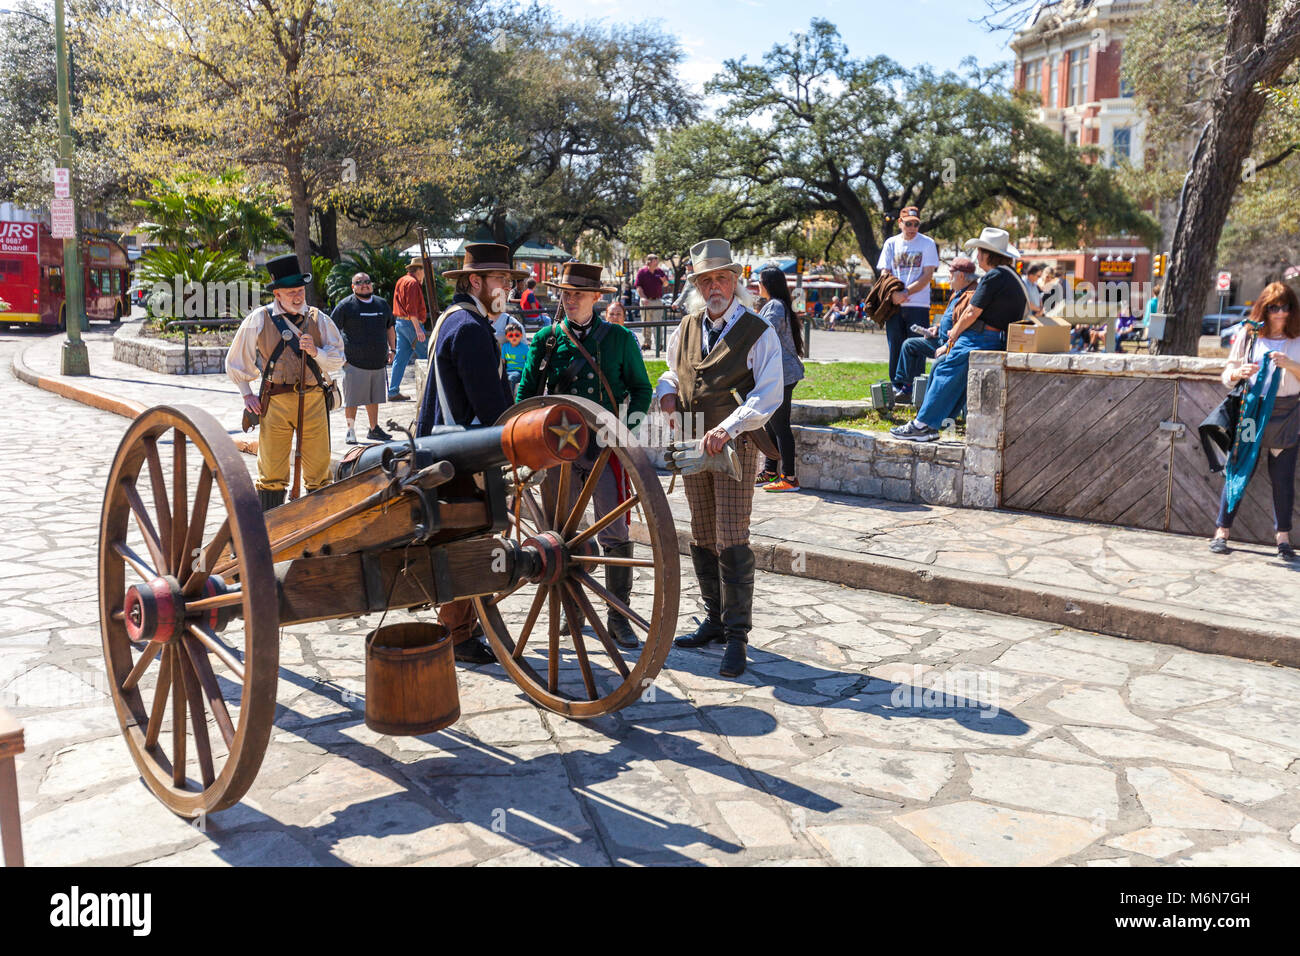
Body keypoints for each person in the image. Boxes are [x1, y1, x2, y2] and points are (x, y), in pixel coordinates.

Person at [655, 239, 783, 679]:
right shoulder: (687, 326)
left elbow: (769, 393)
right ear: (697, 285)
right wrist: (666, 391)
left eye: (722, 278)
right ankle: (713, 619)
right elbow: (673, 368)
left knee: (732, 535)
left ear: (736, 281)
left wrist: (728, 426)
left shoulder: (756, 329)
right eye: (706, 280)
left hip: (735, 446)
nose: (715, 287)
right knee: (703, 532)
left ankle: (737, 636)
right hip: (693, 442)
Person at [516, 261, 652, 647]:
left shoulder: (619, 339)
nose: (571, 299)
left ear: (597, 297)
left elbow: (642, 391)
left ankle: (617, 615)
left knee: (615, 531)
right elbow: (526, 397)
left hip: (604, 448)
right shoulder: (545, 339)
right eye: (566, 293)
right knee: (562, 534)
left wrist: (624, 432)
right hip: (557, 450)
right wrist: (530, 443)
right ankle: (571, 607)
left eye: (579, 294)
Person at [415, 242, 526, 664]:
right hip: (462, 453)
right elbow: (493, 410)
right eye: (501, 281)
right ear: (475, 282)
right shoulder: (469, 329)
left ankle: (465, 623)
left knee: (469, 539)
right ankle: (458, 631)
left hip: (446, 446)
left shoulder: (456, 320)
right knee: (470, 540)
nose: (507, 289)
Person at [227, 254, 345, 510]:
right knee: (271, 470)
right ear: (277, 294)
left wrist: (316, 353)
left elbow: (337, 359)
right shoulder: (259, 319)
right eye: (291, 291)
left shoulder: (319, 319)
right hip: (275, 402)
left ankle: (317, 523)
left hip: (314, 400)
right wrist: (247, 393)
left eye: (300, 290)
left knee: (318, 470)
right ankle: (271, 527)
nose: (298, 296)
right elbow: (236, 359)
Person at [891, 228, 1022, 443]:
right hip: (997, 339)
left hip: (980, 337)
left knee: (944, 368)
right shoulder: (1012, 276)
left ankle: (922, 425)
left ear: (988, 254)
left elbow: (972, 312)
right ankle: (936, 424)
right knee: (955, 376)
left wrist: (952, 337)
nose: (977, 256)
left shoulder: (994, 276)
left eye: (980, 251)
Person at [1210, 282, 1300, 560]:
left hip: (1286, 413)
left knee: (1283, 478)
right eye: (1274, 307)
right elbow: (1227, 375)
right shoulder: (1248, 334)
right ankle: (1222, 531)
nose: (1280, 313)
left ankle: (1283, 539)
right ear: (1264, 308)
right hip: (1251, 412)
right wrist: (1241, 372)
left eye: (1286, 307)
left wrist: (1291, 365)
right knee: (1238, 468)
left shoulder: (1297, 338)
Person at [890, 256, 977, 403]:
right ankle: (908, 388)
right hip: (941, 340)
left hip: (951, 345)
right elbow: (951, 319)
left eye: (950, 274)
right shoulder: (957, 292)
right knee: (909, 345)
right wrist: (936, 329)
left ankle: (920, 395)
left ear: (961, 276)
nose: (949, 278)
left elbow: (965, 326)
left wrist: (946, 345)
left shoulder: (971, 295)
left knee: (933, 361)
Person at [753, 265, 805, 491]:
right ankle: (771, 471)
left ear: (768, 285)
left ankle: (790, 478)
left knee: (780, 426)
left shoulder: (774, 305)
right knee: (771, 425)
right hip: (780, 373)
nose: (757, 285)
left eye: (760, 281)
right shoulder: (777, 304)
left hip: (781, 375)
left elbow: (764, 331)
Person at [877, 205, 940, 387]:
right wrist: (893, 293)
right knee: (895, 345)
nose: (912, 228)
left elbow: (927, 275)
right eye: (908, 224)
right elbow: (885, 273)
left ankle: (914, 387)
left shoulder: (927, 243)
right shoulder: (891, 243)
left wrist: (906, 292)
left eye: (916, 224)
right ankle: (896, 386)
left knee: (916, 346)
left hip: (918, 304)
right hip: (895, 304)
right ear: (900, 223)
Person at [331, 272, 395, 444]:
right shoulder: (346, 305)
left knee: (374, 398)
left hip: (378, 362)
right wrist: (339, 355)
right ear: (353, 287)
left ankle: (374, 429)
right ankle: (350, 430)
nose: (364, 284)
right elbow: (331, 329)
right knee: (352, 400)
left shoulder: (381, 304)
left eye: (367, 281)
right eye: (359, 282)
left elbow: (390, 327)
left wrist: (393, 349)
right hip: (354, 363)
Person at [388, 257, 428, 402]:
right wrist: (418, 329)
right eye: (424, 270)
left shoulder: (402, 280)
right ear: (419, 270)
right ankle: (432, 392)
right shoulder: (412, 283)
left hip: (400, 323)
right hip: (411, 324)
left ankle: (393, 391)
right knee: (427, 356)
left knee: (401, 357)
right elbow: (412, 309)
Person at [634, 253, 669, 350]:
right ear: (649, 262)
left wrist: (664, 281)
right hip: (646, 301)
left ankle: (659, 343)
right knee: (646, 323)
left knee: (658, 323)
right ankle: (647, 343)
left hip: (657, 301)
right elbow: (638, 286)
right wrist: (643, 297)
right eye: (655, 260)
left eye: (657, 260)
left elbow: (666, 284)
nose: (657, 262)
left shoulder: (660, 271)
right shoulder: (642, 272)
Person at [502, 318, 529, 394]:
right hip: (507, 371)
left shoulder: (525, 348)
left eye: (517, 335)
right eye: (511, 335)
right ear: (507, 337)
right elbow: (503, 361)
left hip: (519, 372)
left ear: (521, 336)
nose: (514, 337)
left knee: (511, 378)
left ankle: (509, 397)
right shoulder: (505, 346)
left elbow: (528, 362)